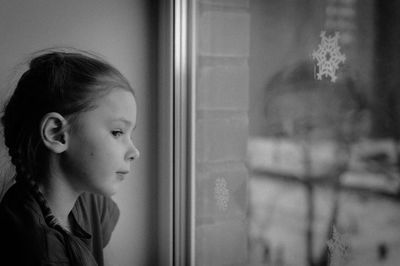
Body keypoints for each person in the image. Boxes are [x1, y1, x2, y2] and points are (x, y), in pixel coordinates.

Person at [0, 49, 140, 266]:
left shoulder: (87, 200)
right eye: (117, 132)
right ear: (57, 133)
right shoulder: (40, 251)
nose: (134, 152)